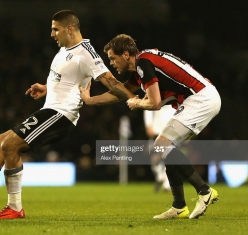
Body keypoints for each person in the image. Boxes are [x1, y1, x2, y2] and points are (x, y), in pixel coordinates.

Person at [0, 10, 135, 219]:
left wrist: (133, 99)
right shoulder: (65, 50)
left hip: (61, 114)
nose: (52, 34)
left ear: (69, 29)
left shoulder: (86, 53)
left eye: (55, 29)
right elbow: (66, 80)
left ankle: (14, 207)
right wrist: (46, 87)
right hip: (50, 110)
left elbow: (111, 81)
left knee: (10, 145)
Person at [80, 34, 221, 219]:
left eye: (113, 58)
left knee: (162, 145)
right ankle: (179, 206)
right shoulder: (141, 64)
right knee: (165, 146)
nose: (112, 64)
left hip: (201, 98)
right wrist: (90, 101)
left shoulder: (143, 63)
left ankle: (204, 191)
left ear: (125, 54)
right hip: (198, 97)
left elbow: (154, 103)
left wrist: (137, 103)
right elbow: (120, 92)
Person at [144, 106, 175, 192]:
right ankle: (160, 176)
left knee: (168, 157)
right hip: (156, 129)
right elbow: (147, 105)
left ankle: (166, 184)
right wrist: (148, 124)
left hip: (172, 130)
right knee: (155, 159)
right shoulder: (156, 92)